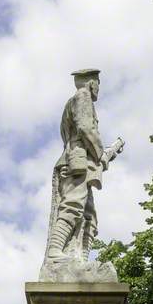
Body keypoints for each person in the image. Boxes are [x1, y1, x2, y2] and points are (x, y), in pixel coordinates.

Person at [43, 68, 124, 267]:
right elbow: (86, 129)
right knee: (73, 206)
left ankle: (80, 260)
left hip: (82, 164)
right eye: (98, 84)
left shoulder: (76, 101)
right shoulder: (83, 97)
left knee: (89, 218)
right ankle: (55, 251)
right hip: (77, 164)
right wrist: (99, 155)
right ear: (91, 82)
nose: (98, 88)